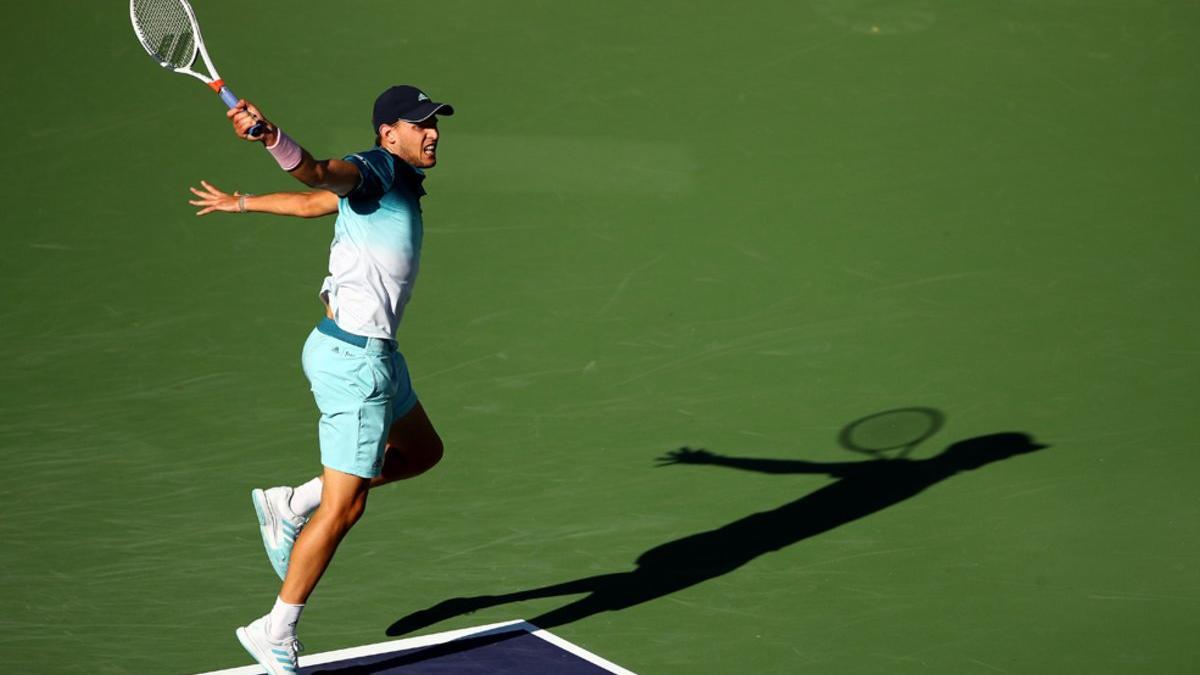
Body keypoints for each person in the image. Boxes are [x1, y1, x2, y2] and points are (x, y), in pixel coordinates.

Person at [187, 85, 454, 674]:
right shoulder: (376, 167)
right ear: (389, 134)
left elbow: (314, 206)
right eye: (420, 124)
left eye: (435, 123)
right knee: (346, 506)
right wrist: (269, 135)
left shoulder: (396, 183)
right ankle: (275, 629)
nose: (432, 132)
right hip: (354, 364)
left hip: (376, 357)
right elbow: (314, 175)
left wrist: (243, 203)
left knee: (423, 451)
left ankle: (291, 501)